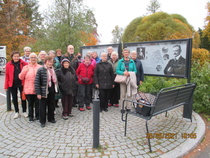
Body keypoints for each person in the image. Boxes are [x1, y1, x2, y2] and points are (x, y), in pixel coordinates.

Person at [35, 56, 58, 128]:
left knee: (51, 105)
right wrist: (38, 93)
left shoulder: (53, 70)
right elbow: (37, 82)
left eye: (51, 62)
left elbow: (55, 81)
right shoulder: (40, 70)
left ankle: (51, 118)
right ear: (45, 62)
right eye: (49, 62)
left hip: (52, 90)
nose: (50, 63)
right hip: (43, 91)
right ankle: (42, 121)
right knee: (42, 106)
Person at [4, 51, 28, 119]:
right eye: (15, 56)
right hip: (12, 83)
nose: (16, 57)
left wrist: (22, 62)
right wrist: (6, 86)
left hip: (21, 83)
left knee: (23, 97)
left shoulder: (22, 63)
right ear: (12, 57)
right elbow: (7, 76)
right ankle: (16, 111)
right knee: (14, 98)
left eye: (17, 56)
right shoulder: (8, 64)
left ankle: (24, 111)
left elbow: (28, 65)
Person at [19, 53, 42, 122]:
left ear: (36, 59)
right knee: (30, 104)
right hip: (29, 89)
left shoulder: (40, 67)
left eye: (34, 57)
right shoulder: (26, 67)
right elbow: (20, 77)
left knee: (37, 103)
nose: (33, 59)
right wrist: (24, 72)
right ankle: (31, 116)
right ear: (29, 59)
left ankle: (37, 116)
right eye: (31, 58)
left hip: (37, 89)